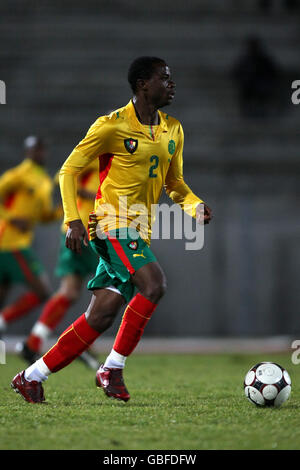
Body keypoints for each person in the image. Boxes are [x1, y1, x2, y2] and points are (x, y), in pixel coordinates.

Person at [11, 56, 212, 404]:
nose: (171, 84)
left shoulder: (173, 129)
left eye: (171, 78)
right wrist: (72, 219)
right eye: (164, 78)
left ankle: (31, 376)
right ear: (142, 85)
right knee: (153, 284)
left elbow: (174, 182)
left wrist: (193, 205)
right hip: (110, 224)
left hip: (139, 229)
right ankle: (112, 369)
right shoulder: (111, 126)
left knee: (101, 314)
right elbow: (68, 171)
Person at [19, 160, 100, 370]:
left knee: (83, 292)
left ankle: (37, 343)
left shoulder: (120, 158)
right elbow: (62, 176)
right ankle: (73, 343)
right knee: (98, 291)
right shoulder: (96, 155)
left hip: (100, 233)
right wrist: (86, 193)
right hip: (83, 232)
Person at [0, 136, 62, 338]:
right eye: (37, 149)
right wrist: (13, 218)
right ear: (28, 152)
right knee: (42, 292)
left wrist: (64, 210)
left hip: (16, 244)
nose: (41, 153)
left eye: (43, 150)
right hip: (10, 242)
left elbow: (42, 217)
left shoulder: (44, 180)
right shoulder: (18, 175)